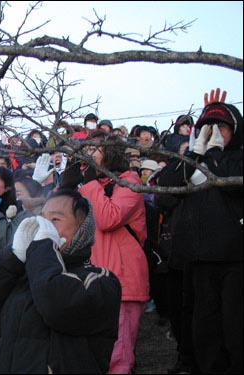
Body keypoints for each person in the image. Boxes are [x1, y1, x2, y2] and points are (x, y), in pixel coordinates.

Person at [0, 189, 122, 373]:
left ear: (81, 231)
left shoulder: (100, 282)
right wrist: (14, 256)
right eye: (41, 218)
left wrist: (43, 248)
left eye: (55, 219)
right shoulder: (24, 275)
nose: (43, 226)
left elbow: (56, 307)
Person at [157, 91, 242, 374]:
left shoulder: (236, 158)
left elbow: (230, 183)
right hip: (197, 259)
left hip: (234, 259)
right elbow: (164, 191)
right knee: (203, 330)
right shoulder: (196, 161)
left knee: (234, 329)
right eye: (207, 128)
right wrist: (195, 152)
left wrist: (216, 152)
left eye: (221, 127)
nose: (214, 133)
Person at [61, 135, 149, 374]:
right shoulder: (92, 187)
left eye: (94, 149)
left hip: (123, 280)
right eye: (86, 149)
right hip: (92, 279)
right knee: (92, 353)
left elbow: (109, 218)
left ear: (110, 153)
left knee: (117, 355)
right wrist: (66, 187)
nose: (88, 153)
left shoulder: (130, 182)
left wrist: (89, 184)